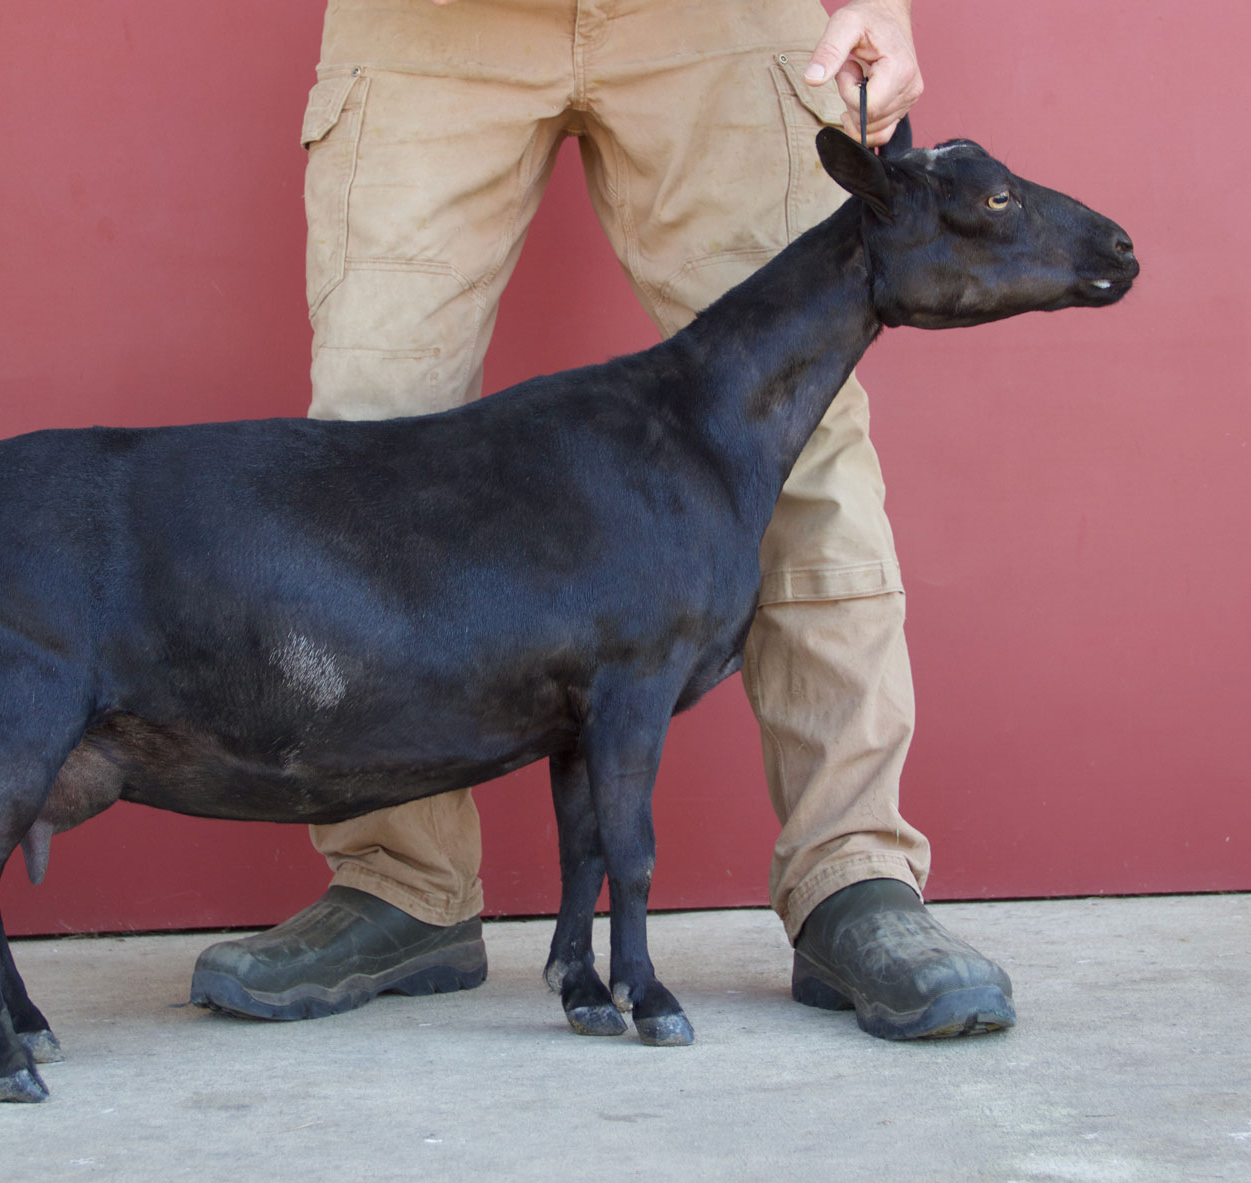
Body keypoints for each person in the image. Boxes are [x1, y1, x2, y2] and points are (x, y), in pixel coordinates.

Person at [192, 0, 1015, 1040]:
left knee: (798, 429)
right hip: (429, 28)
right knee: (367, 444)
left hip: (716, 18)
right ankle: (400, 882)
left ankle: (856, 875)